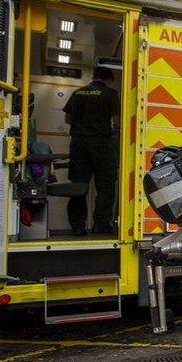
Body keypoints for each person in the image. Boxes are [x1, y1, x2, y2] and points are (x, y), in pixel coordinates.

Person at [63, 66, 120, 236]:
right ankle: (101, 225)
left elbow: (68, 118)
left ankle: (78, 226)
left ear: (94, 76)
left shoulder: (77, 93)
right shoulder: (110, 94)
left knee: (78, 186)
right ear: (109, 79)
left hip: (79, 143)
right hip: (102, 143)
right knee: (106, 187)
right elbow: (117, 122)